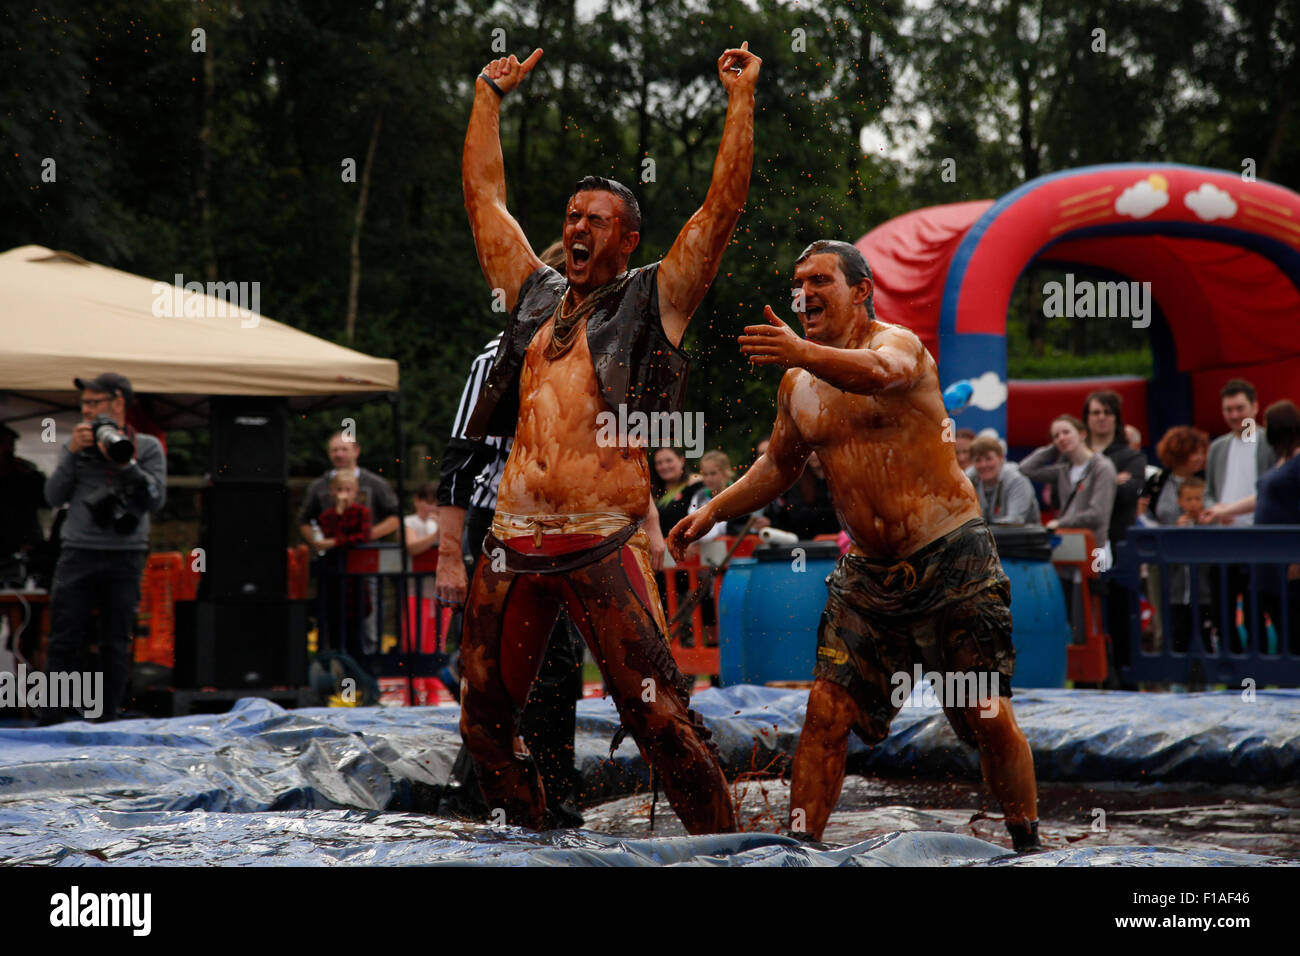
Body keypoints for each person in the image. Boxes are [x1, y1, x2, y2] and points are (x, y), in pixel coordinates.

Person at [456, 41, 759, 834]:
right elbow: (486, 200)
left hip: (600, 535)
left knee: (658, 720)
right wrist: (488, 97)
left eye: (596, 220)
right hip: (514, 533)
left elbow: (719, 214)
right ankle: (531, 837)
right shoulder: (531, 297)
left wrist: (740, 101)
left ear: (626, 239)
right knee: (482, 725)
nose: (577, 228)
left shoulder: (652, 297)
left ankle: (729, 854)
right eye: (571, 217)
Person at [669, 239, 1041, 852]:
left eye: (821, 281)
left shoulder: (896, 346)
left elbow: (880, 377)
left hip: (953, 558)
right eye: (800, 283)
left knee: (986, 714)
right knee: (826, 710)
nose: (805, 294)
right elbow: (781, 467)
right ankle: (802, 852)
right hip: (868, 577)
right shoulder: (798, 383)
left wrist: (801, 350)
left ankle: (1027, 844)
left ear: (861, 290)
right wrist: (713, 507)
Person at [435, 323, 588, 828]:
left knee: (561, 665)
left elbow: (621, 445)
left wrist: (645, 521)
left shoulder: (596, 355)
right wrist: (448, 555)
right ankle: (479, 795)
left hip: (567, 526)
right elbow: (459, 459)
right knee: (496, 665)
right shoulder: (498, 359)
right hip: (501, 525)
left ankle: (554, 795)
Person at [42, 373, 166, 722]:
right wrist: (72, 455)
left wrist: (124, 461)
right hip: (78, 550)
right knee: (65, 636)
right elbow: (52, 496)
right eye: (84, 404)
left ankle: (108, 714)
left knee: (116, 638)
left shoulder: (147, 447)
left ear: (118, 403)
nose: (87, 410)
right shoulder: (74, 447)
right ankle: (53, 716)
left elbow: (155, 500)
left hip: (126, 554)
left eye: (94, 403)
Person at [1199, 400, 1300, 652]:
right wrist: (1224, 509)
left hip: (1288, 556)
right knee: (1279, 620)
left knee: (1293, 625)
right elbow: (1262, 497)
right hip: (1268, 558)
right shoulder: (1281, 461)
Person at [1020, 415, 1118, 554]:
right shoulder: (1064, 470)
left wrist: (1061, 523)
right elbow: (1026, 469)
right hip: (1069, 545)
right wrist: (1054, 448)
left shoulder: (1102, 467)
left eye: (1066, 432)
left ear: (1082, 434)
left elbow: (1097, 514)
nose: (1061, 438)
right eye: (1056, 436)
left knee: (1095, 575)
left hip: (1095, 547)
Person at [316, 472, 373, 658]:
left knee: (356, 628)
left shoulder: (362, 513)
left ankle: (356, 669)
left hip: (355, 579)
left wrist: (335, 542)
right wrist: (339, 513)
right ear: (332, 492)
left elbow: (362, 537)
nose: (343, 494)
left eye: (348, 490)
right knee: (334, 624)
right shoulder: (327, 516)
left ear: (355, 492)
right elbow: (326, 534)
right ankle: (338, 668)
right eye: (339, 490)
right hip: (334, 577)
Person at [1204, 378, 1273, 526]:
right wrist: (1215, 510)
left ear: (1254, 407)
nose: (1234, 415)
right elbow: (1209, 492)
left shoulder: (1271, 443)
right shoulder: (1217, 447)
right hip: (1224, 532)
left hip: (1262, 529)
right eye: (1228, 410)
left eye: (1240, 408)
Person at [0, 423, 47, 583]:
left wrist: (32, 474)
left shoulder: (25, 474)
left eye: (10, 447)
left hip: (22, 547)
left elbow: (47, 500)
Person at [966, 435, 1040, 525]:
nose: (983, 465)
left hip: (1023, 536)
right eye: (978, 460)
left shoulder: (1016, 479)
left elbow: (1014, 521)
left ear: (1001, 458)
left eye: (988, 459)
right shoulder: (970, 480)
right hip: (987, 536)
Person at [652, 447, 705, 532]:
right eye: (659, 463)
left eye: (669, 461)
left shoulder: (696, 485)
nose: (664, 466)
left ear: (681, 460)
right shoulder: (654, 494)